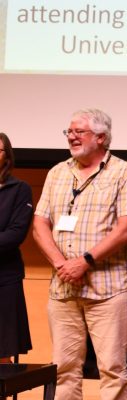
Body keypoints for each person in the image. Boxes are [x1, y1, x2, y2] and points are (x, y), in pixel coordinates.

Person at [32, 109, 127, 400]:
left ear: (101, 137)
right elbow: (39, 224)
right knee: (64, 370)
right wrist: (62, 264)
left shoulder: (125, 172)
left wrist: (84, 262)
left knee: (112, 370)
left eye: (78, 131)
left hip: (106, 290)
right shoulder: (57, 172)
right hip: (63, 288)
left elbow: (126, 229)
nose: (71, 136)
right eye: (68, 131)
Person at [0, 132, 34, 364]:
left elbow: (15, 234)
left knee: (1, 354)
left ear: (7, 156)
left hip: (4, 279)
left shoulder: (19, 189)